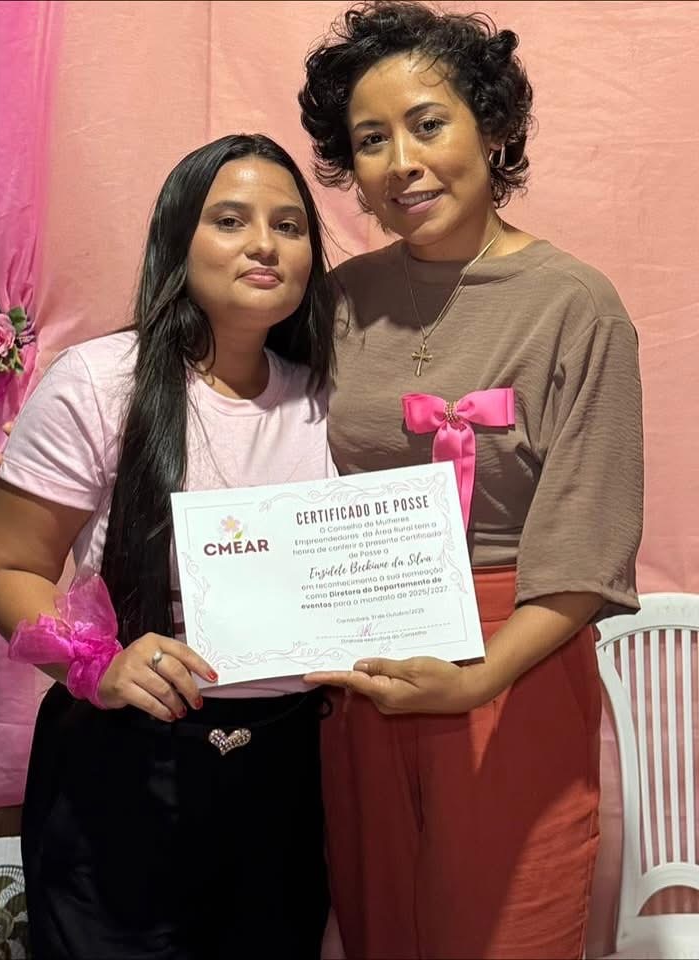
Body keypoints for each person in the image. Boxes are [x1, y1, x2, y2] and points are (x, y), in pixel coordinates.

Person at [298, 3, 644, 959]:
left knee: (507, 929)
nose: (401, 162)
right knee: (381, 923)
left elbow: (587, 543)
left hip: (516, 661)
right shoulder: (340, 300)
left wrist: (478, 679)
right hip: (366, 664)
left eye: (428, 124)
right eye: (371, 140)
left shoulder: (578, 305)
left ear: (492, 130)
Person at [0, 133, 336, 960]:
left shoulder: (328, 401)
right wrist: (95, 664)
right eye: (230, 220)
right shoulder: (100, 381)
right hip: (125, 771)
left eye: (288, 225)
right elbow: (6, 567)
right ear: (179, 239)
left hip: (288, 770)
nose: (264, 244)